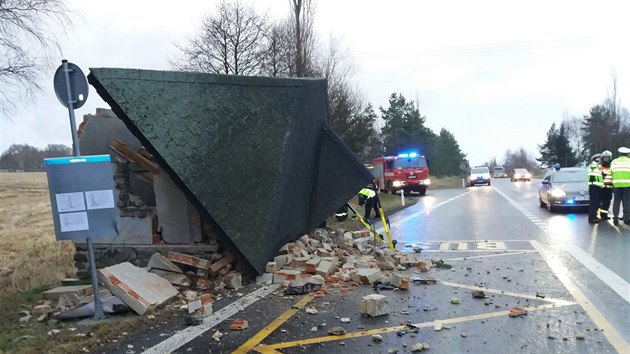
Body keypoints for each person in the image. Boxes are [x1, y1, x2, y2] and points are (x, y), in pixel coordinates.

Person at [611, 147, 630, 225]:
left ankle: (615, 217)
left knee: (616, 201)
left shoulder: (614, 162)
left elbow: (611, 172)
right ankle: (626, 219)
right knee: (627, 202)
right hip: (628, 185)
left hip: (616, 185)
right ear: (628, 154)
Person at [587, 153, 603, 223]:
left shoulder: (595, 166)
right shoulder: (593, 166)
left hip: (596, 187)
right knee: (594, 203)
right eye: (600, 159)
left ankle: (594, 216)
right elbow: (597, 177)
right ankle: (592, 218)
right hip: (594, 187)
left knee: (596, 202)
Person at [598, 151, 614, 220]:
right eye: (605, 157)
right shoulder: (599, 166)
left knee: (607, 202)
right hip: (601, 187)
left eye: (607, 157)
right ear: (602, 158)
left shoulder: (612, 166)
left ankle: (604, 215)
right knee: (600, 202)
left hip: (609, 187)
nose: (606, 159)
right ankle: (600, 215)